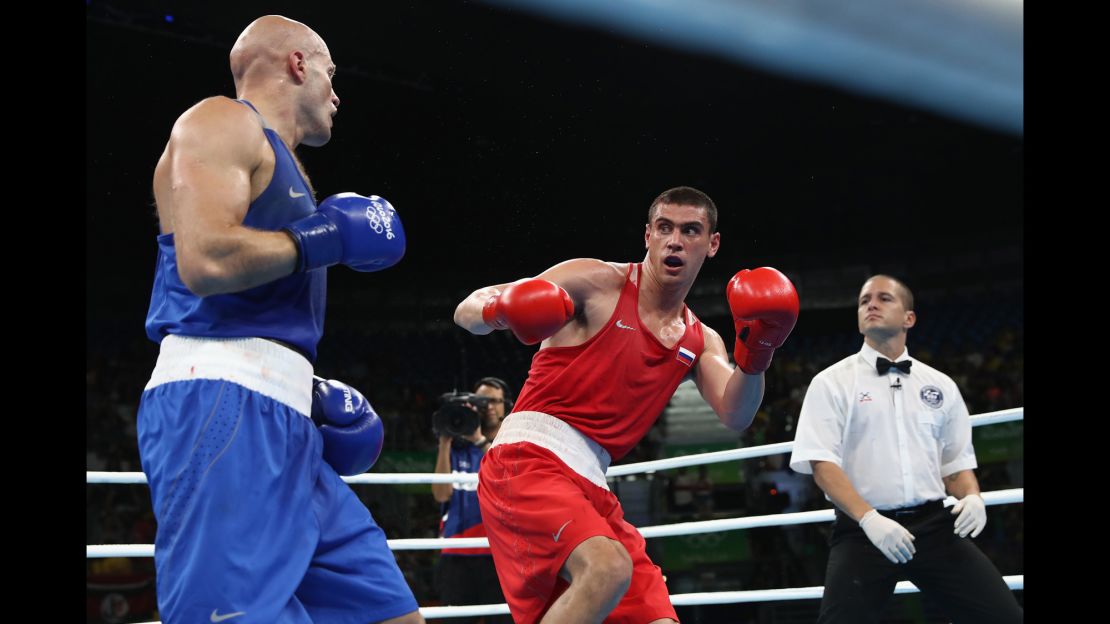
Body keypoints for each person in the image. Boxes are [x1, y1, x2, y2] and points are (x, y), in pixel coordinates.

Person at [135, 15, 423, 624]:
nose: (336, 92)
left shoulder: (283, 166)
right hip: (220, 405)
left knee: (390, 615)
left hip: (285, 422)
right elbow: (206, 261)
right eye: (330, 72)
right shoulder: (221, 121)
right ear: (297, 64)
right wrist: (326, 237)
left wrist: (304, 391)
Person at [454, 186, 800, 623]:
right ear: (648, 236)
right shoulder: (595, 281)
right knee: (607, 569)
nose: (675, 240)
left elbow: (737, 413)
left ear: (711, 244)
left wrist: (758, 353)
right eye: (664, 228)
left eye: (690, 230)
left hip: (593, 482)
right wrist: (502, 310)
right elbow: (466, 310)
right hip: (528, 460)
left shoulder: (700, 338)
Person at [789, 275, 1022, 623]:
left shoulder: (940, 385)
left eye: (884, 298)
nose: (871, 304)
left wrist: (972, 496)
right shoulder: (831, 383)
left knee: (1004, 616)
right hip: (863, 531)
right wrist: (869, 519)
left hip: (935, 527)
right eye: (865, 300)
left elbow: (955, 465)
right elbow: (823, 466)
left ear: (908, 318)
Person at [431, 378, 514, 623]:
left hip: (501, 554)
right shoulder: (456, 450)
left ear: (505, 406)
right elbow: (440, 495)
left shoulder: (511, 444)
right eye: (481, 401)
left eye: (494, 401)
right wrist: (445, 442)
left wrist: (479, 440)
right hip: (457, 554)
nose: (487, 406)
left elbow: (510, 481)